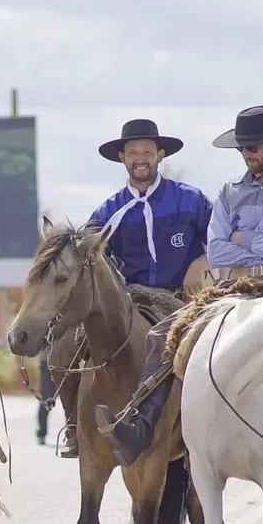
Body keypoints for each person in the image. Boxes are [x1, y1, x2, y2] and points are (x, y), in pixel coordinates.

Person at [96, 105, 263, 479]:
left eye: (254, 147)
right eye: (243, 149)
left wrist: (244, 238)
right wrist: (248, 244)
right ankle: (142, 423)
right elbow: (219, 248)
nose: (248, 155)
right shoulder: (230, 191)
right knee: (164, 333)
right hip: (234, 285)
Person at [52, 118, 212, 459]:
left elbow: (221, 238)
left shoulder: (191, 200)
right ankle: (74, 425)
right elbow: (89, 260)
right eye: (134, 152)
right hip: (128, 300)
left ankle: (209, 424)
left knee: (213, 351)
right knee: (65, 345)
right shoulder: (108, 211)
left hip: (182, 298)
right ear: (123, 158)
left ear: (160, 155)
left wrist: (203, 260)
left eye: (148, 152)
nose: (141, 158)